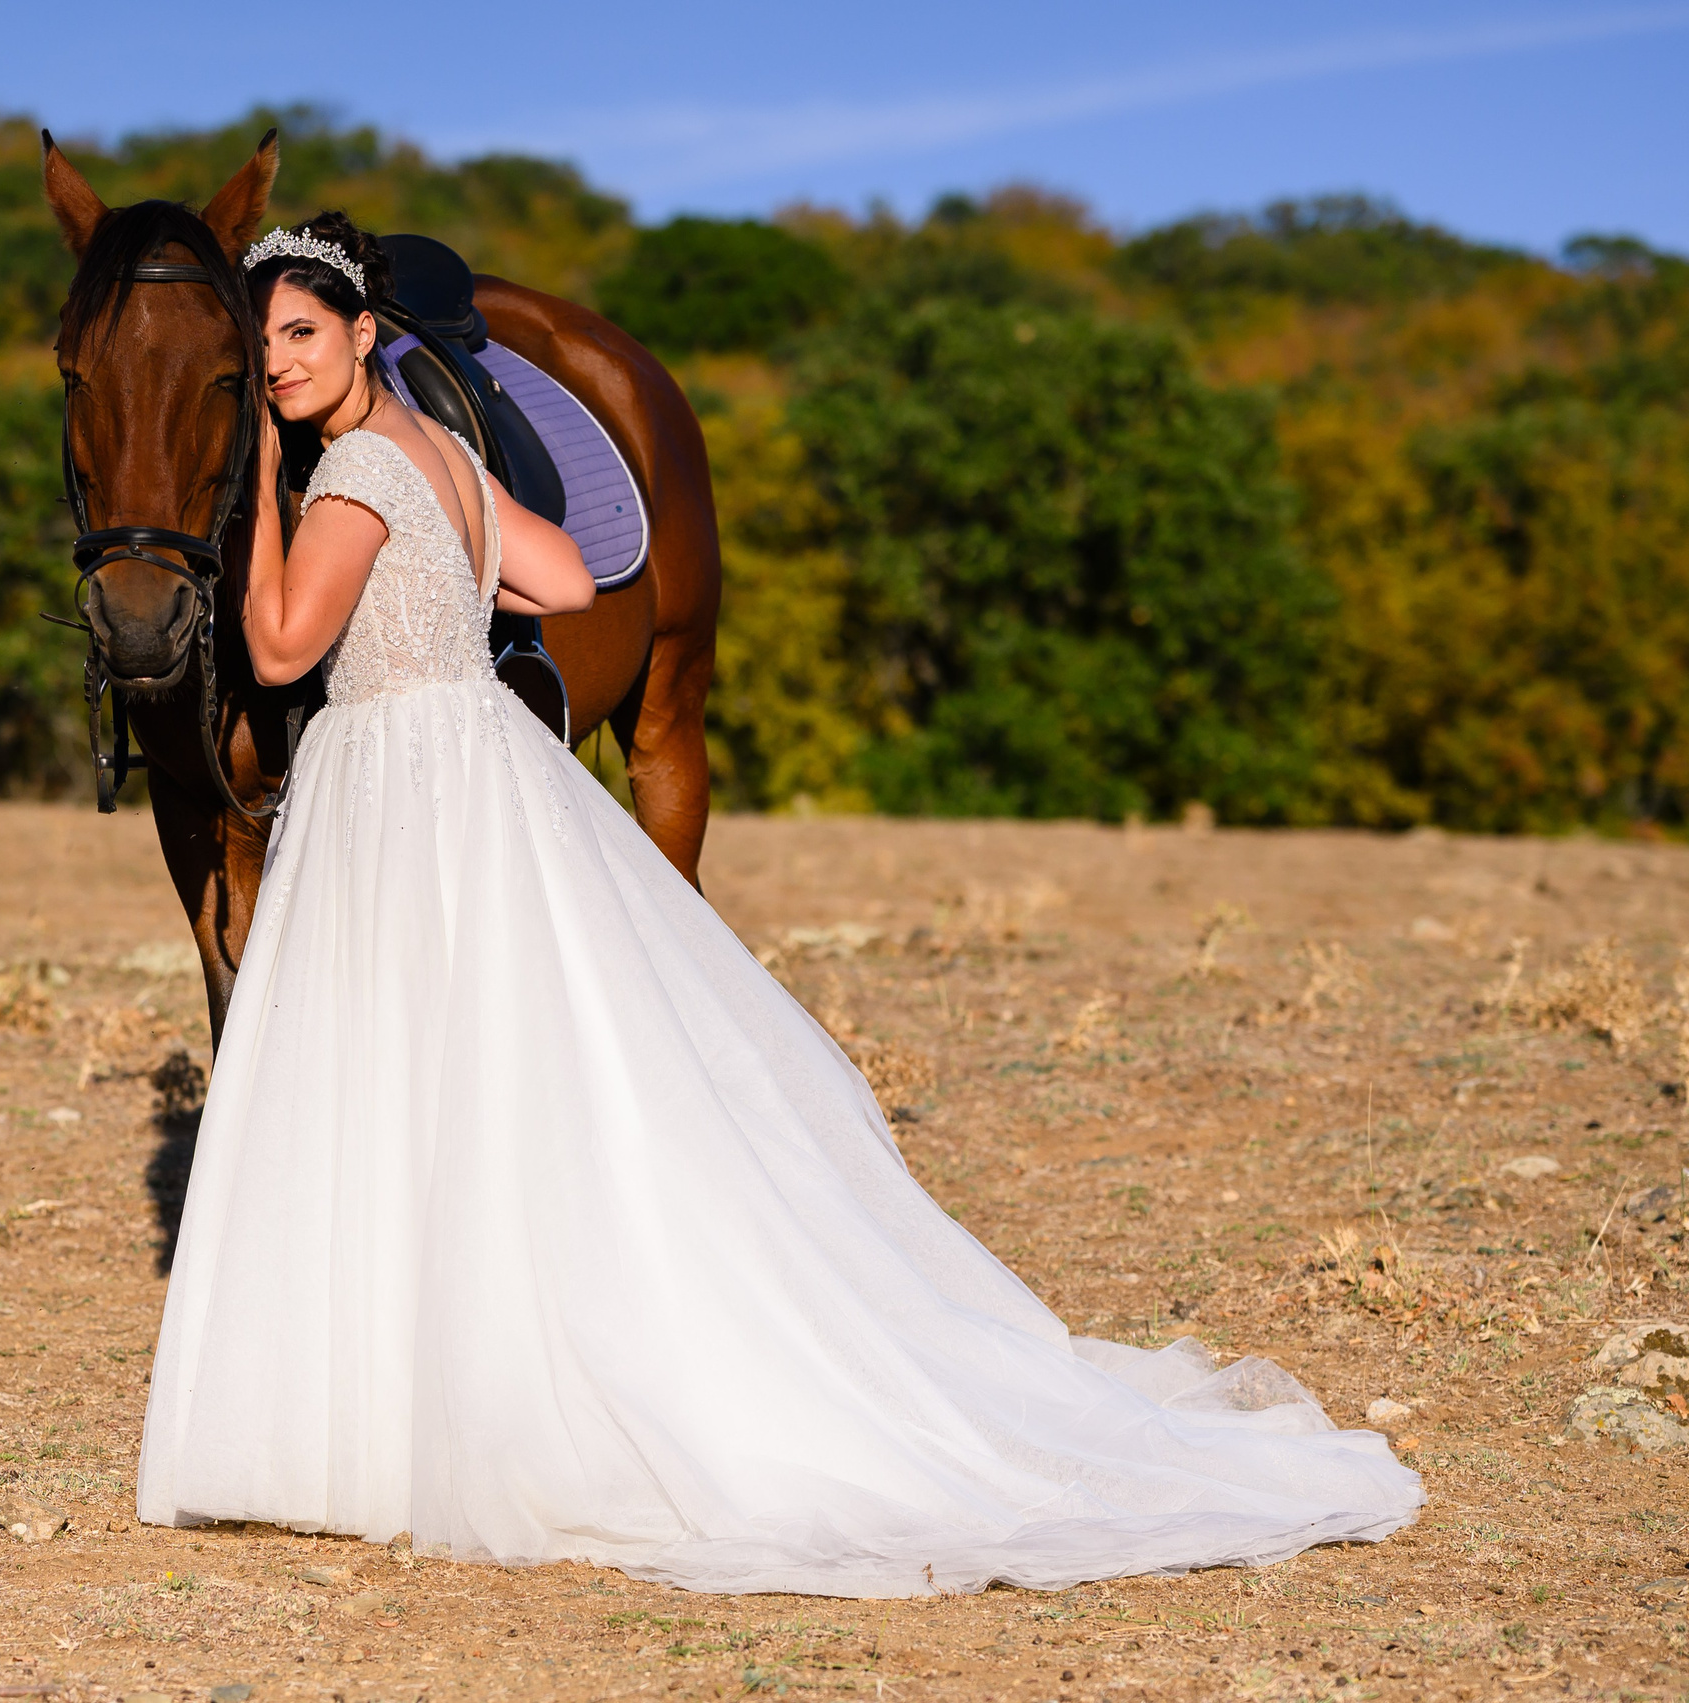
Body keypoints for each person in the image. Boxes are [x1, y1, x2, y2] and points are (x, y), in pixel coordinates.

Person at [135, 211, 1421, 1597]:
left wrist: (266, 479)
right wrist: (447, 579)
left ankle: (397, 1405)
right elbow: (569, 577)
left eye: (300, 335)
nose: (274, 364)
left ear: (361, 335)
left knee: (398, 1079)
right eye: (259, 345)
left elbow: (274, 640)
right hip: (484, 769)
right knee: (503, 1076)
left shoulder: (345, 483)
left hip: (399, 781)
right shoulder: (439, 457)